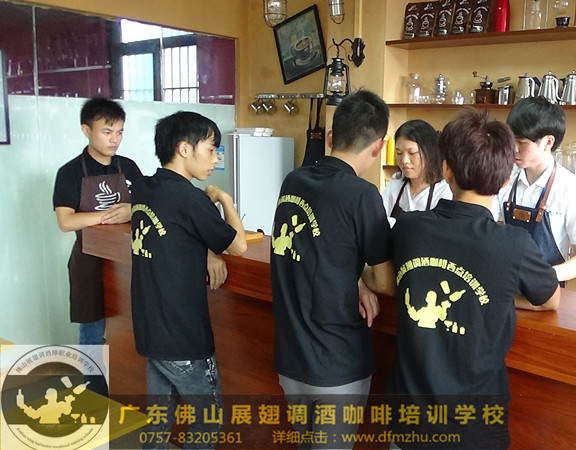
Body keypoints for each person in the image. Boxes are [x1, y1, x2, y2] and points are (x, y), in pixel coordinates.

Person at [388, 109, 560, 450]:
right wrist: (498, 293)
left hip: (409, 421)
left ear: (446, 169)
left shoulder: (409, 228)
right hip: (476, 427)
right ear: (507, 179)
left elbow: (380, 274)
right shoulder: (513, 244)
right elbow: (549, 300)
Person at [270, 89, 395, 448]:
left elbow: (317, 252)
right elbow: (386, 282)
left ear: (329, 137)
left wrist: (354, 280)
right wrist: (362, 280)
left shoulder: (293, 181)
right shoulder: (363, 195)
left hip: (291, 361)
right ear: (378, 147)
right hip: (337, 364)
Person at [130, 111, 246, 449]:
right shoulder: (191, 199)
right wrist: (225, 200)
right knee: (208, 420)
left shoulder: (145, 189)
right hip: (183, 336)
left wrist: (207, 252)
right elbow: (238, 245)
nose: (216, 159)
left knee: (159, 419)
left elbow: (175, 235)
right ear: (184, 149)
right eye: (211, 149)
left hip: (151, 329)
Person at [53, 98, 143, 345]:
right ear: (86, 130)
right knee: (93, 329)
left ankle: (123, 372)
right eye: (107, 132)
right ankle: (92, 372)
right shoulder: (70, 172)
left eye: (120, 132)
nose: (115, 139)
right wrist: (113, 215)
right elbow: (65, 221)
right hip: (89, 261)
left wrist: (132, 210)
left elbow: (147, 206)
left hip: (128, 260)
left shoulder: (128, 167)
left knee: (129, 326)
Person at [494, 97, 576, 283]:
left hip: (546, 288)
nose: (514, 149)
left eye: (522, 142)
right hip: (504, 282)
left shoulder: (573, 190)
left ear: (548, 142)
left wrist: (541, 278)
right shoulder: (504, 179)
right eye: (511, 140)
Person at [381, 119, 452, 226]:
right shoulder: (396, 183)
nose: (404, 160)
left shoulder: (444, 191)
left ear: (429, 152)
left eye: (412, 153)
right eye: (399, 153)